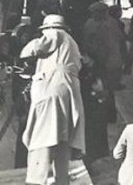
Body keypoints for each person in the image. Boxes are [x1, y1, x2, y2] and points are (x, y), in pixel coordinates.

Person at [19, 15, 86, 185]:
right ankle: (61, 179)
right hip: (67, 94)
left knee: (43, 136)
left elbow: (37, 47)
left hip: (53, 92)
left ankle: (35, 179)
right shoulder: (71, 43)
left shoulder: (56, 34)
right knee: (61, 137)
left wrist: (23, 44)